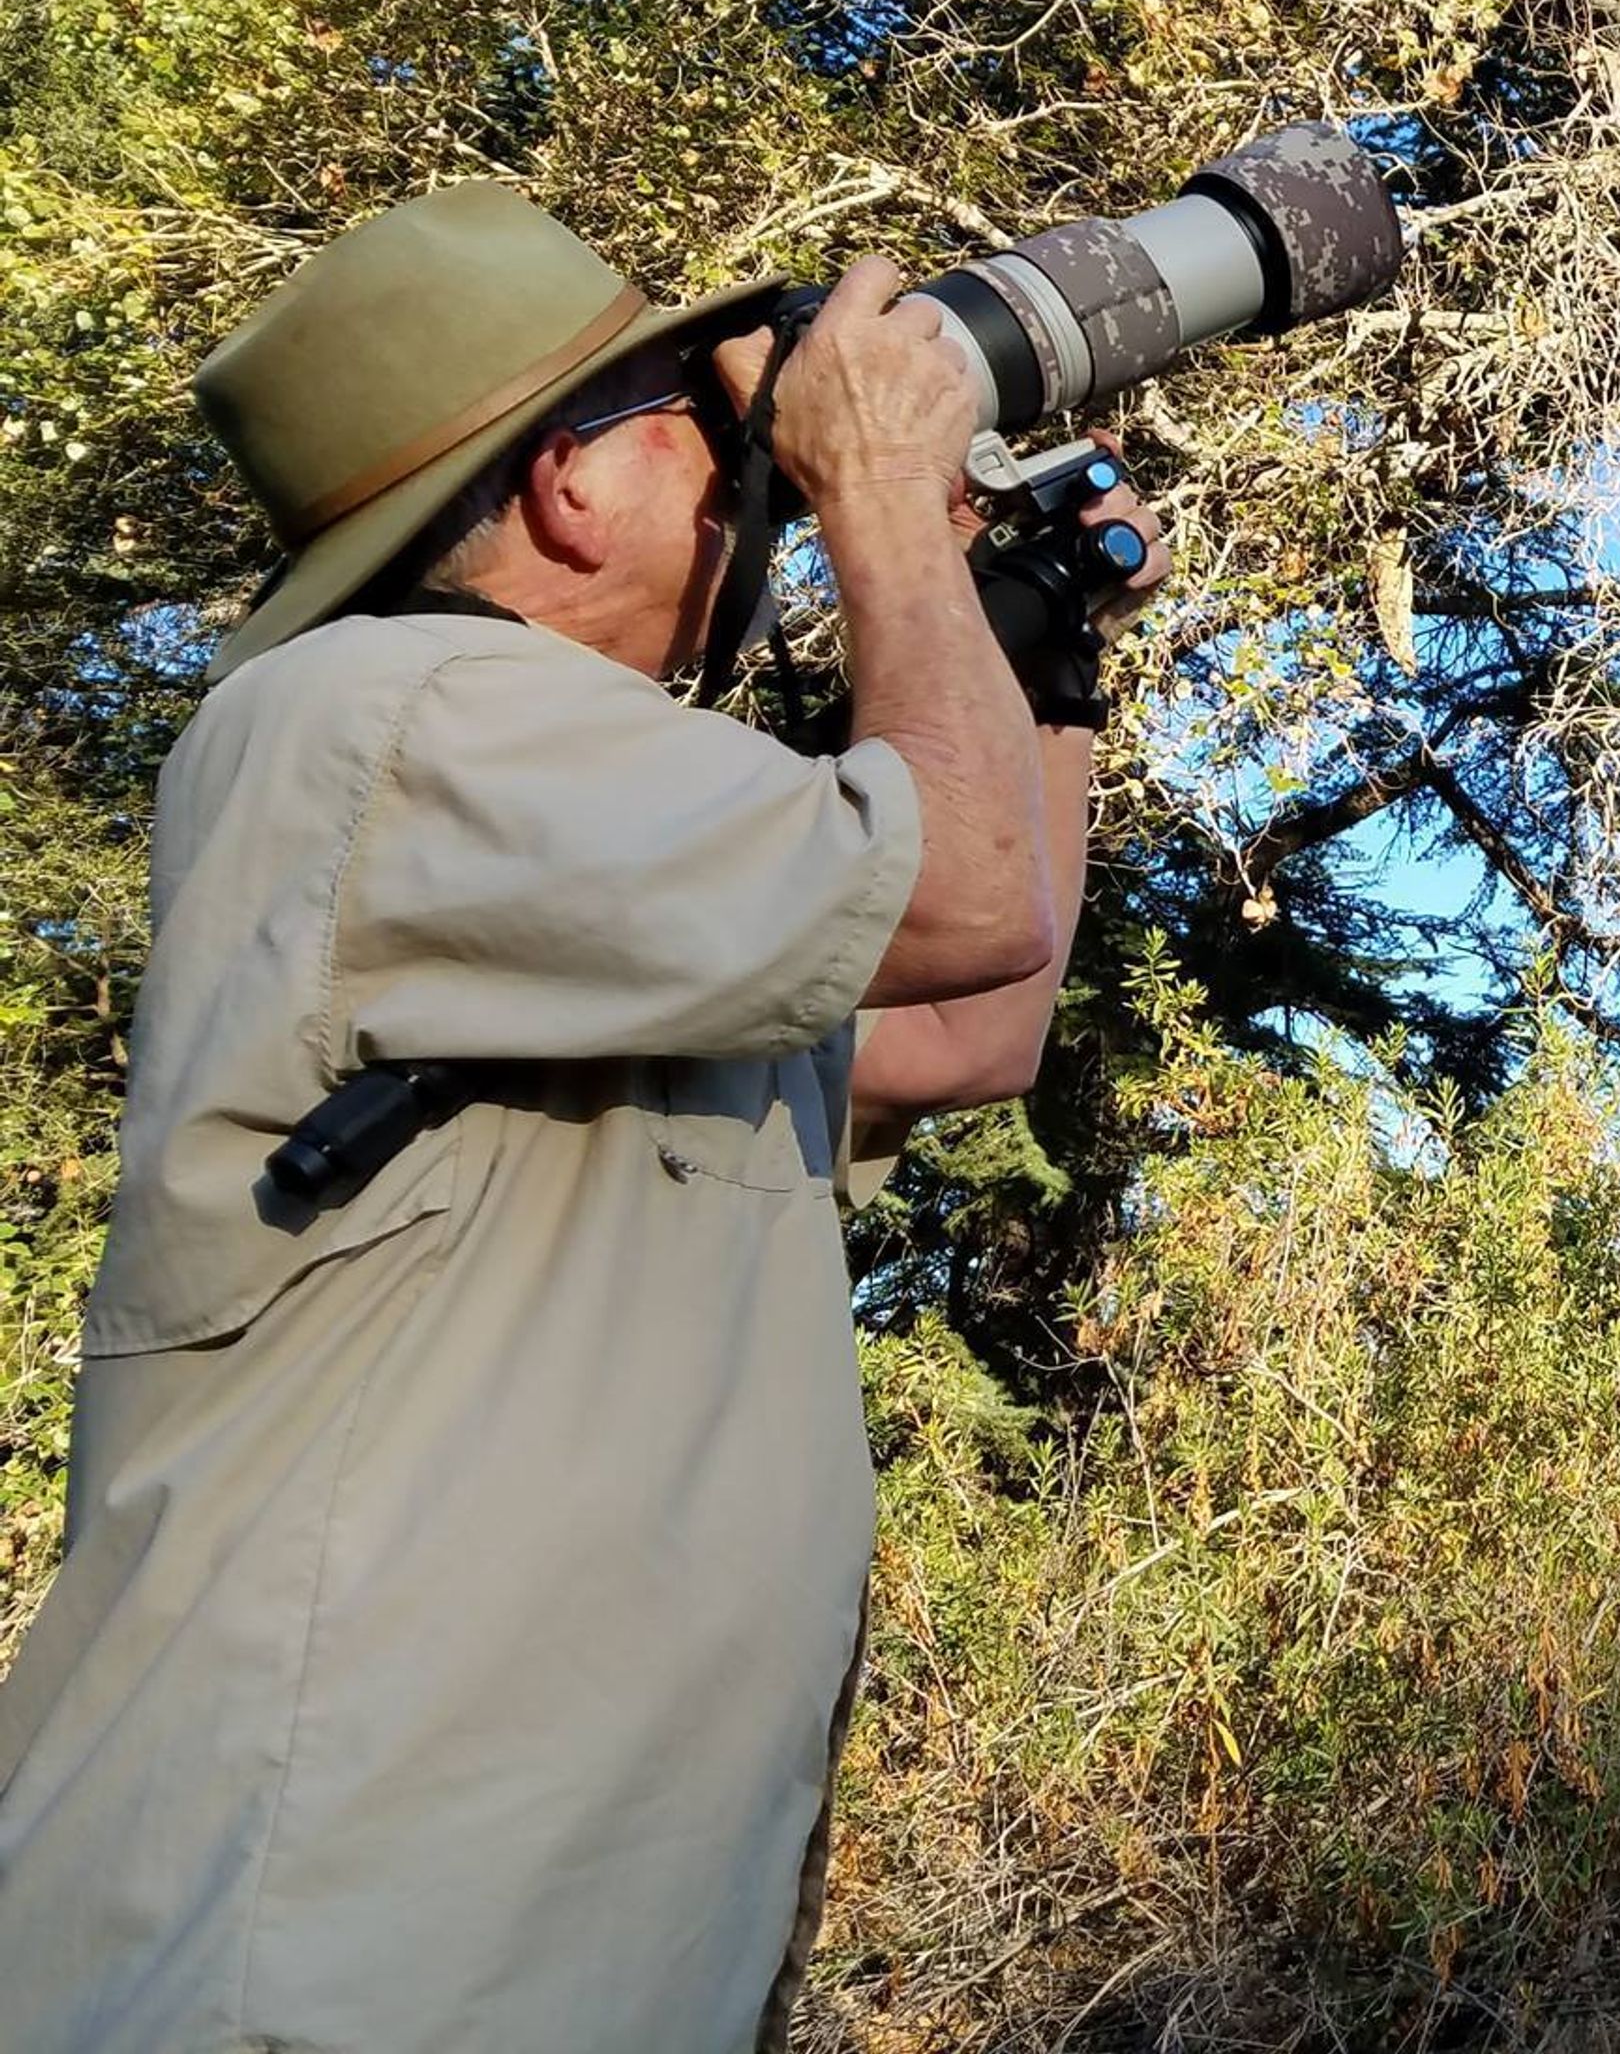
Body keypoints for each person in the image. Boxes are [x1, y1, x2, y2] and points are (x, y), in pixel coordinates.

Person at [0, 179, 1159, 2052]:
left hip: (515, 1924)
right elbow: (963, 894)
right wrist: (876, 498)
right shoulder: (393, 708)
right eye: (704, 429)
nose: (752, 469)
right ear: (563, 486)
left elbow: (969, 1026)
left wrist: (1032, 644)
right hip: (325, 1923)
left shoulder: (575, 869)